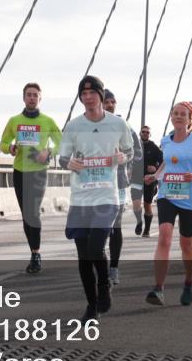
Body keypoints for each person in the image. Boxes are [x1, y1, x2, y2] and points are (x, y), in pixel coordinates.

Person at [59, 75, 134, 322]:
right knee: (83, 255)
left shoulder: (117, 125)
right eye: (83, 93)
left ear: (101, 96)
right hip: (81, 197)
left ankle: (104, 285)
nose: (88, 97)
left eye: (92, 93)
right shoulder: (73, 126)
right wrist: (69, 163)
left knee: (95, 248)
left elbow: (129, 150)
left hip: (107, 196)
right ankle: (91, 305)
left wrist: (123, 158)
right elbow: (62, 157)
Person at [144, 101, 192, 306]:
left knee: (186, 245)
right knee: (164, 237)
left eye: (183, 114)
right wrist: (155, 176)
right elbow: (167, 161)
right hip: (167, 194)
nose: (179, 116)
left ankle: (189, 282)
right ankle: (158, 288)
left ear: (191, 119)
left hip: (190, 198)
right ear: (171, 117)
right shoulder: (165, 140)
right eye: (175, 113)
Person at [0, 82, 63, 274]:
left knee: (33, 212)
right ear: (24, 97)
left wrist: (49, 151)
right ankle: (33, 250)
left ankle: (36, 254)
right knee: (26, 215)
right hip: (19, 170)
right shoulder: (14, 120)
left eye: (35, 95)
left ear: (40, 98)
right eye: (29, 94)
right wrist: (9, 148)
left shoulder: (48, 121)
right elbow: (2, 143)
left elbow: (63, 144)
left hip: (38, 172)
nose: (32, 98)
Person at [103, 89, 143, 284]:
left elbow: (137, 152)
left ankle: (113, 268)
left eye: (113, 101)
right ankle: (101, 264)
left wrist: (128, 170)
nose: (110, 105)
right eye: (106, 101)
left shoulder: (125, 127)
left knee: (114, 227)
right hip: (94, 185)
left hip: (117, 183)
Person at [136, 126, 164, 238]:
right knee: (136, 204)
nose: (145, 134)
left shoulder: (154, 147)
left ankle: (146, 230)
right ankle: (139, 222)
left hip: (150, 180)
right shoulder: (134, 146)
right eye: (144, 132)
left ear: (150, 135)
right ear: (140, 133)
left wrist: (156, 168)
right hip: (136, 179)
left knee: (147, 204)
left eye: (148, 132)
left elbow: (163, 163)